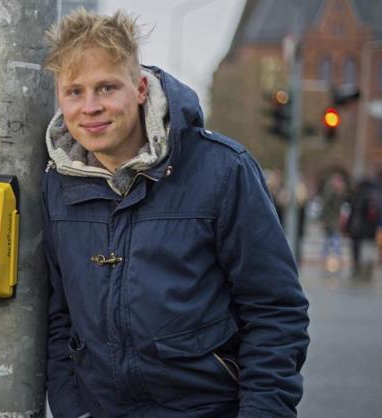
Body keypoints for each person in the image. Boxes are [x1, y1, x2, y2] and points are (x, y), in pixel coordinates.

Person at [41, 9, 309, 418]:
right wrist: (70, 407)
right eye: (74, 91)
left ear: (141, 88)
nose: (90, 107)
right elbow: (59, 316)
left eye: (107, 87)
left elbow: (275, 310)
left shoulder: (223, 169)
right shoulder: (56, 185)